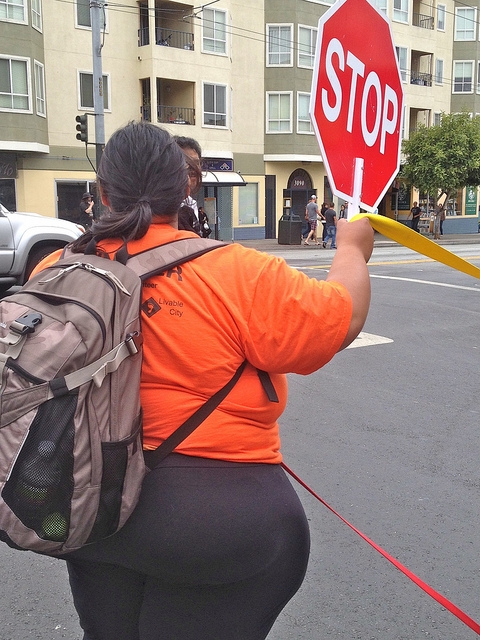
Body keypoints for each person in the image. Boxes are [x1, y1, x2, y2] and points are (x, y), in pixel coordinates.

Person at [31, 121, 373, 640]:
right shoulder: (236, 272)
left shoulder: (54, 272)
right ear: (184, 188)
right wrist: (351, 247)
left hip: (85, 508)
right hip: (218, 521)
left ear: (102, 194)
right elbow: (340, 319)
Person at [174, 135, 202, 235]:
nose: (193, 168)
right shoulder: (165, 209)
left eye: (196, 163)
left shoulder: (191, 204)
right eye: (186, 162)